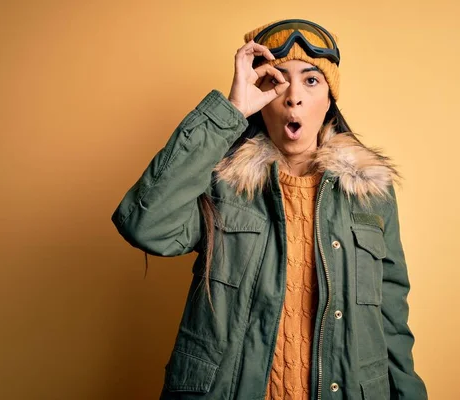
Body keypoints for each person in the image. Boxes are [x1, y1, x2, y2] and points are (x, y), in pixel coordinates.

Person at [111, 18, 427, 400]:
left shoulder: (370, 192)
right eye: (277, 81)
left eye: (312, 81)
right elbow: (145, 224)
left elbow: (392, 319)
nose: (293, 96)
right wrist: (230, 111)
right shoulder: (222, 185)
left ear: (329, 100)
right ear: (261, 100)